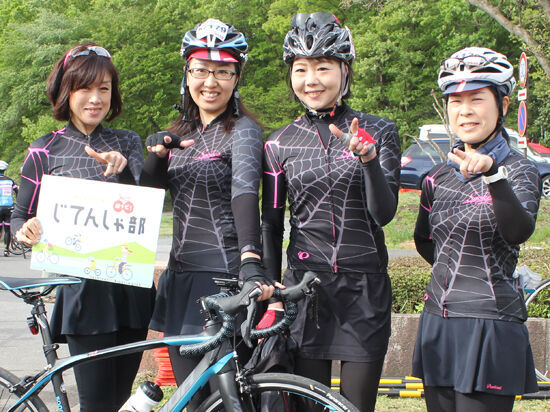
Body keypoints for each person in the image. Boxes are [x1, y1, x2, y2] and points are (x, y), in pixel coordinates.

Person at [261, 12, 401, 411]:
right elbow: (271, 224)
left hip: (364, 289)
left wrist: (369, 159)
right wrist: (272, 294)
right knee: (306, 406)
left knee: (355, 407)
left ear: (344, 70)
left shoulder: (380, 130)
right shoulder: (278, 143)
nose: (311, 80)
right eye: (301, 69)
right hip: (305, 291)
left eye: (323, 67)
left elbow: (384, 214)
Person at [11, 42, 155, 411]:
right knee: (95, 402)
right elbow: (19, 217)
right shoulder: (44, 150)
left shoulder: (127, 141)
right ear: (66, 91)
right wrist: (24, 231)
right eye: (84, 88)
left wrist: (123, 171)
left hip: (130, 290)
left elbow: (144, 208)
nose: (95, 98)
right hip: (83, 294)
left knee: (123, 401)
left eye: (104, 88)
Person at [141, 18, 275, 409]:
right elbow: (149, 197)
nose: (210, 82)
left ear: (236, 78)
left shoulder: (243, 130)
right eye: (200, 70)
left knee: (228, 398)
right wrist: (156, 157)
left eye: (222, 72)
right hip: (179, 279)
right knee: (191, 399)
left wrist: (251, 259)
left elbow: (245, 192)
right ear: (187, 74)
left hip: (222, 278)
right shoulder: (180, 132)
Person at [412, 47, 541, 412]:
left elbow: (518, 231)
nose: (465, 110)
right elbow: (425, 241)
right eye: (456, 101)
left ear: (502, 104)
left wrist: (493, 175)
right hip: (438, 320)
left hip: (492, 322)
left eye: (476, 99)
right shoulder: (436, 176)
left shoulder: (520, 170)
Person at [0, 160, 18, 256]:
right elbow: (17, 192)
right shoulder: (10, 181)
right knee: (7, 229)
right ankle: (6, 250)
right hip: (8, 207)